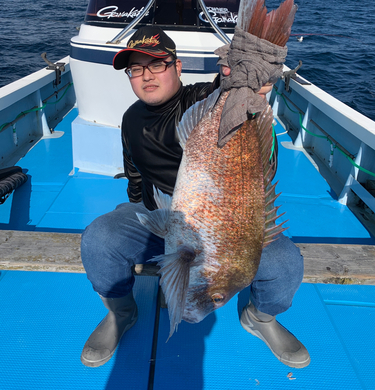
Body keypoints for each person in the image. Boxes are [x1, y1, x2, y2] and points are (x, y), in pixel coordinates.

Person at [80, 26, 310, 369]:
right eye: (136, 68)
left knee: (284, 263)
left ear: (178, 66)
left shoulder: (200, 99)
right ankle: (121, 312)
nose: (146, 76)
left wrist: (249, 84)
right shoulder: (130, 119)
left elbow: (224, 93)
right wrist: (143, 211)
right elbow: (135, 177)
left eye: (157, 64)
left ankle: (261, 318)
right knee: (99, 238)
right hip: (162, 215)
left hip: (226, 221)